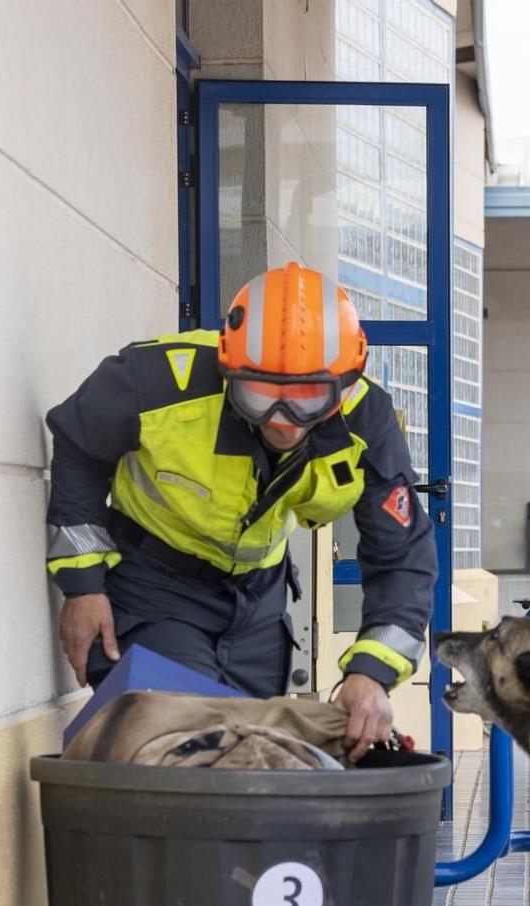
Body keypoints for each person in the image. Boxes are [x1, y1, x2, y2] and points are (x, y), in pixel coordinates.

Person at [44, 262, 436, 760]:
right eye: (261, 396)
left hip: (258, 600)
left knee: (255, 756)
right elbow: (78, 447)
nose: (285, 423)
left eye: (308, 400)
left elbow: (401, 556)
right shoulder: (159, 381)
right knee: (180, 741)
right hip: (154, 586)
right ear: (230, 368)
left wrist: (371, 674)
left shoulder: (366, 419)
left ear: (344, 383)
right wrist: (83, 588)